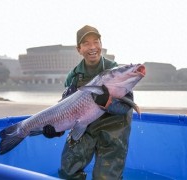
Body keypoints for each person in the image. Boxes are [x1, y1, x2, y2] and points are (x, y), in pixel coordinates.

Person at [43, 25, 133, 180]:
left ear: (101, 44)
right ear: (79, 49)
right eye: (86, 43)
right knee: (68, 171)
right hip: (85, 129)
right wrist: (56, 129)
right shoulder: (73, 77)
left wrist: (107, 102)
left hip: (113, 131)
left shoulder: (115, 71)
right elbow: (65, 108)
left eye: (96, 42)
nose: (92, 47)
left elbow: (126, 107)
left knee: (106, 177)